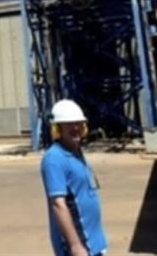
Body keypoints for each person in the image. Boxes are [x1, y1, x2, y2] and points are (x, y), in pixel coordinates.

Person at [40, 99, 108, 256]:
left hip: (94, 241)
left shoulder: (76, 152)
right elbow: (58, 204)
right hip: (80, 244)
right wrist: (75, 245)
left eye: (78, 123)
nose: (76, 128)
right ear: (58, 128)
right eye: (69, 124)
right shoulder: (54, 159)